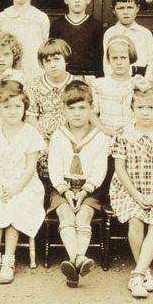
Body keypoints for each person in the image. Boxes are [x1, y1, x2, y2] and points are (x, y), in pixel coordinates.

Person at [109, 80, 153, 298]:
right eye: (140, 107)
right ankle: (145, 271)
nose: (145, 112)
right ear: (132, 108)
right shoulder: (123, 134)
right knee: (135, 218)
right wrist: (137, 195)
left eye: (151, 108)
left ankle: (137, 274)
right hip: (128, 189)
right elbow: (120, 168)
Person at [0, 81, 46, 285]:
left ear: (25, 106)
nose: (12, 111)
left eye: (17, 106)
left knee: (15, 205)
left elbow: (30, 168)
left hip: (24, 184)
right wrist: (0, 189)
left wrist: (15, 190)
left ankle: (8, 261)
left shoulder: (31, 133)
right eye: (6, 107)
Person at [47, 81, 111, 288]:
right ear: (64, 110)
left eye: (82, 108)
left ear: (91, 109)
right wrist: (65, 191)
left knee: (84, 215)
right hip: (62, 187)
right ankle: (78, 259)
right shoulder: (58, 135)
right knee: (65, 214)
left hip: (89, 188)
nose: (77, 113)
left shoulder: (100, 137)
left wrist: (85, 191)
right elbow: (54, 167)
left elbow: (100, 168)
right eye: (71, 108)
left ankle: (73, 262)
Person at [27, 38, 101, 181]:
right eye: (47, 61)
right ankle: (47, 187)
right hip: (45, 136)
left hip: (73, 133)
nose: (53, 65)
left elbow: (88, 114)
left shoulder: (77, 84)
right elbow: (31, 116)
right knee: (40, 152)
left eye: (56, 59)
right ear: (42, 64)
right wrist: (40, 130)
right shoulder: (35, 85)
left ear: (66, 59)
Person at [0, 0, 50, 80]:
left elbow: (45, 52)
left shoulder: (40, 18)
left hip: (34, 75)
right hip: (9, 75)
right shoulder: (2, 17)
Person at [49, 0, 105, 79]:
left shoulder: (95, 25)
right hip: (64, 77)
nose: (77, 0)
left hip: (89, 77)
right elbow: (52, 54)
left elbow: (100, 56)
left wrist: (99, 79)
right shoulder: (57, 25)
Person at [101, 0, 153, 78]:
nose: (125, 12)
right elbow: (107, 63)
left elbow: (151, 62)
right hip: (117, 83)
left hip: (140, 81)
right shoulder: (110, 33)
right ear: (113, 10)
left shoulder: (145, 34)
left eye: (130, 7)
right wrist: (112, 83)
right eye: (121, 8)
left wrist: (147, 83)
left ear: (137, 8)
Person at [91, 35, 139, 137]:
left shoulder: (137, 84)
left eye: (123, 58)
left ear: (130, 58)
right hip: (105, 135)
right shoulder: (99, 85)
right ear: (108, 59)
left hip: (132, 136)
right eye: (114, 58)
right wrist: (105, 131)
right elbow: (91, 113)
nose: (118, 62)